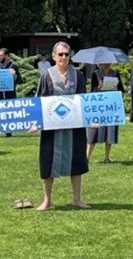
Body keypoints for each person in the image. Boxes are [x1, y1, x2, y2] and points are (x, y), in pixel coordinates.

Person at [33, 41, 89, 210]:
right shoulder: (46, 75)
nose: (64, 57)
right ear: (53, 56)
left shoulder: (78, 75)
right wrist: (36, 122)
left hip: (75, 126)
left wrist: (91, 119)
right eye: (60, 54)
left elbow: (84, 100)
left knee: (77, 160)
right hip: (52, 127)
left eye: (66, 54)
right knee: (48, 161)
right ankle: (47, 200)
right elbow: (39, 101)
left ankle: (77, 199)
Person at [87, 62, 123, 163]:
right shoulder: (96, 74)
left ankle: (107, 157)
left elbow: (121, 89)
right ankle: (87, 157)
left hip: (111, 105)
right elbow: (91, 92)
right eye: (104, 63)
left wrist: (116, 88)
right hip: (99, 106)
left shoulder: (115, 74)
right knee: (93, 130)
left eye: (108, 62)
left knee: (110, 131)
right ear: (100, 64)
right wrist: (98, 87)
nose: (107, 64)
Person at [0, 48, 20, 138]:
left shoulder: (13, 66)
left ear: (7, 56)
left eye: (1, 55)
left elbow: (19, 80)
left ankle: (8, 132)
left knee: (9, 112)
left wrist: (15, 75)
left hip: (9, 92)